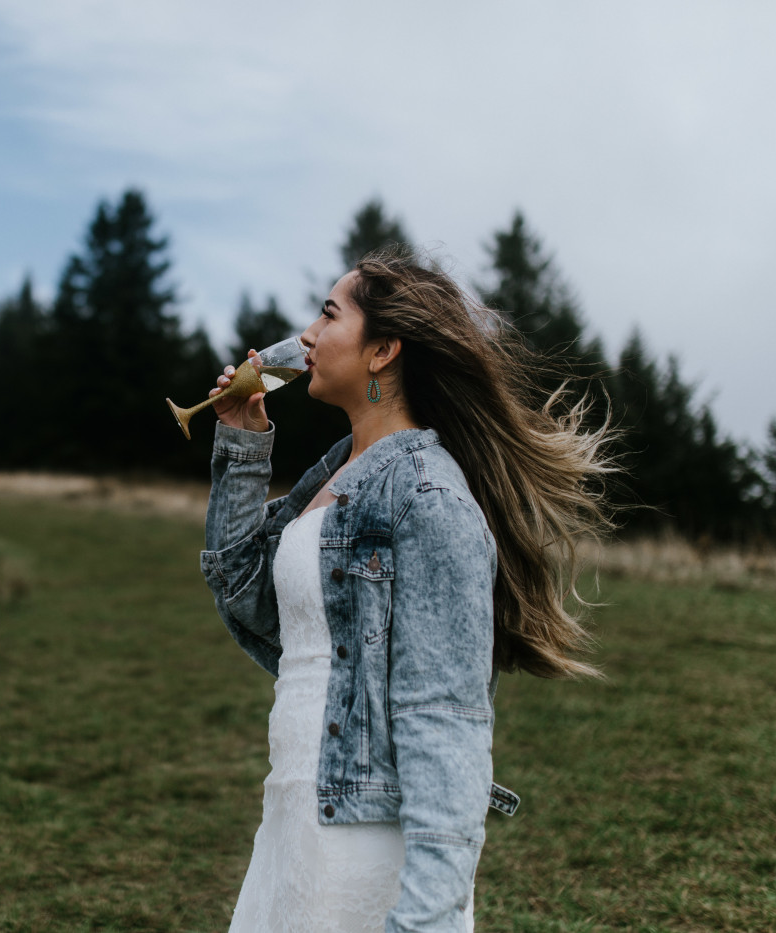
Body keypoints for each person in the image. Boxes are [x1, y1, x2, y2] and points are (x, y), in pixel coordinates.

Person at [199, 247, 614, 932]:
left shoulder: (428, 498)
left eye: (328, 314)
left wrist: (426, 916)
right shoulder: (338, 474)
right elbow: (244, 587)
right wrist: (243, 442)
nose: (305, 335)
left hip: (362, 846)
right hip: (295, 822)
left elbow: (447, 723)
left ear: (382, 350)